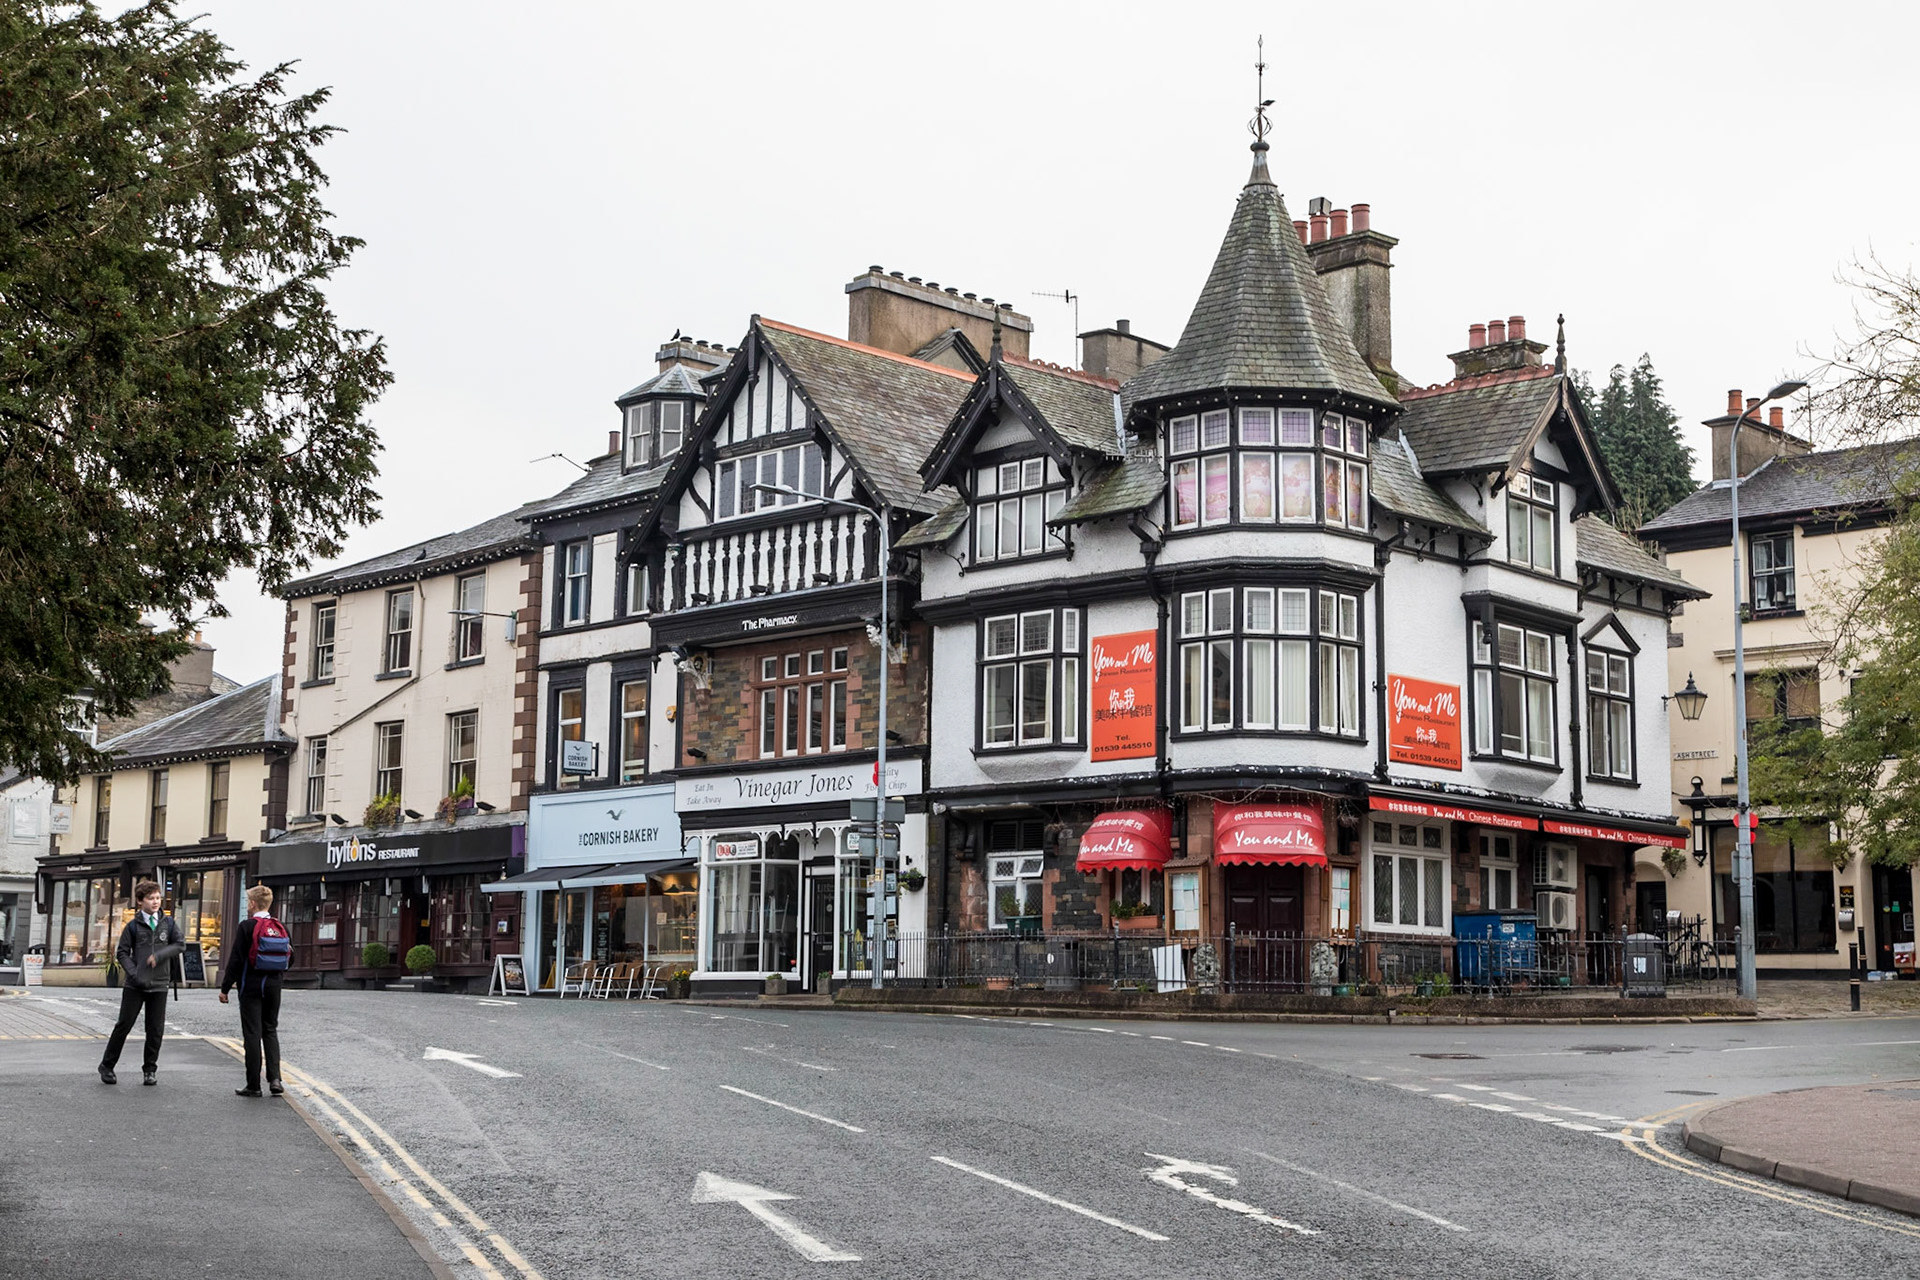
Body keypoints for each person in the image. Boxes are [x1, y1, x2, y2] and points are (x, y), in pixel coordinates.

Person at [99, 880, 184, 1086]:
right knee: (124, 1026)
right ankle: (107, 1066)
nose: (155, 902)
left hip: (160, 984)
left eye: (158, 898)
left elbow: (180, 945)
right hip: (135, 984)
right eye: (151, 898)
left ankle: (150, 1069)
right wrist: (134, 971)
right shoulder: (133, 926)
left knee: (155, 1030)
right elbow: (122, 952)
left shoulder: (169, 923)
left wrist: (160, 955)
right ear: (140, 901)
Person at [219, 884, 284, 1097]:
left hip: (251, 987)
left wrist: (225, 987)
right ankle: (275, 1079)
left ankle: (254, 1085)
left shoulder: (247, 926)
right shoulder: (279, 926)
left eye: (249, 901)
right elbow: (289, 958)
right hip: (274, 986)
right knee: (270, 1030)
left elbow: (236, 960)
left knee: (252, 1034)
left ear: (253, 904)